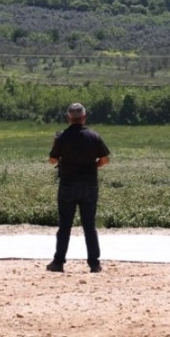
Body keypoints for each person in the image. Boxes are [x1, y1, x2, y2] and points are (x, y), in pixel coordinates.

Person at [46, 102, 110, 273]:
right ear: (84, 117)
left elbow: (52, 160)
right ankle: (94, 263)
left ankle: (58, 262)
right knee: (89, 226)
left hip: (67, 185)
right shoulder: (94, 136)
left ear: (69, 118)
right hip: (89, 185)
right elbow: (105, 160)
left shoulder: (62, 137)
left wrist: (58, 152)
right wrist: (92, 166)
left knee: (65, 225)